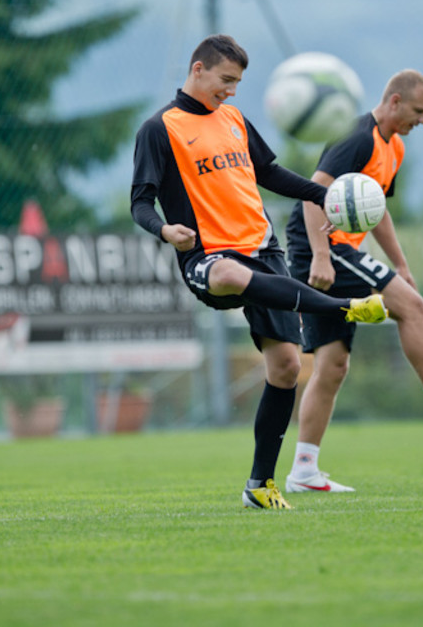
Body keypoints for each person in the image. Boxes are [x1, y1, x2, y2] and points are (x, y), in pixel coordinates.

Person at [131, 34, 388, 510]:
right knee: (227, 275)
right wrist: (165, 231)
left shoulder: (233, 119)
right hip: (207, 256)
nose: (231, 91)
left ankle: (259, 486)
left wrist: (320, 195)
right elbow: (140, 201)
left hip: (262, 250)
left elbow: (268, 173)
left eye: (237, 83)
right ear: (198, 69)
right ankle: (344, 307)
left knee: (288, 367)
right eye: (225, 80)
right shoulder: (159, 128)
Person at [284, 69, 423, 494]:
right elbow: (315, 192)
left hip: (339, 248)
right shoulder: (357, 137)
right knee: (412, 307)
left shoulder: (395, 147)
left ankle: (303, 471)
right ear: (394, 102)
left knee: (332, 365)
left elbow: (376, 208)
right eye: (419, 111)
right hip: (324, 246)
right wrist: (319, 255)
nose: (422, 120)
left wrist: (401, 264)